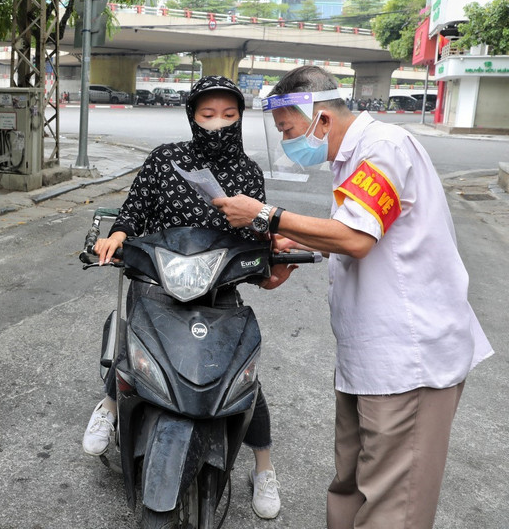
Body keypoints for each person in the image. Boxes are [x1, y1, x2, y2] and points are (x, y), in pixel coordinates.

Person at [213, 65, 493, 529]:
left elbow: (357, 238)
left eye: (288, 130)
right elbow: (358, 233)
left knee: (392, 505)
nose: (286, 141)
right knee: (351, 482)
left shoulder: (383, 148)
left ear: (322, 120)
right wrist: (297, 241)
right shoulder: (353, 157)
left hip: (408, 361)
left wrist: (266, 214)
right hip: (368, 358)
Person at [84, 75, 296, 520]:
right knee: (133, 345)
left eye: (228, 115)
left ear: (240, 119)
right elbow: (134, 210)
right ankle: (109, 404)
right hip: (159, 282)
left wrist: (269, 257)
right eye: (207, 115)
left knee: (241, 376)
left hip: (219, 291)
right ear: (192, 117)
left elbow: (256, 239)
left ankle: (264, 466)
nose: (218, 124)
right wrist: (117, 236)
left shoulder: (247, 172)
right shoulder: (166, 159)